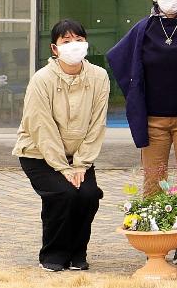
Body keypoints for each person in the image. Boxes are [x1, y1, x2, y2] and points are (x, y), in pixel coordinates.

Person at [109, 0, 177, 261]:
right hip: (153, 120)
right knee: (153, 180)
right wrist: (134, 92)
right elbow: (119, 58)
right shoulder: (143, 28)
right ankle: (156, 230)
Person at [16, 21, 108, 272]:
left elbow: (97, 123)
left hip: (78, 156)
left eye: (78, 39)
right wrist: (63, 167)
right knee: (63, 195)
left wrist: (80, 163)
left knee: (88, 196)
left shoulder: (99, 77)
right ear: (54, 49)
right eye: (66, 41)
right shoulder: (41, 80)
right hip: (38, 154)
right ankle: (54, 253)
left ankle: (77, 252)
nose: (73, 46)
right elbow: (41, 127)